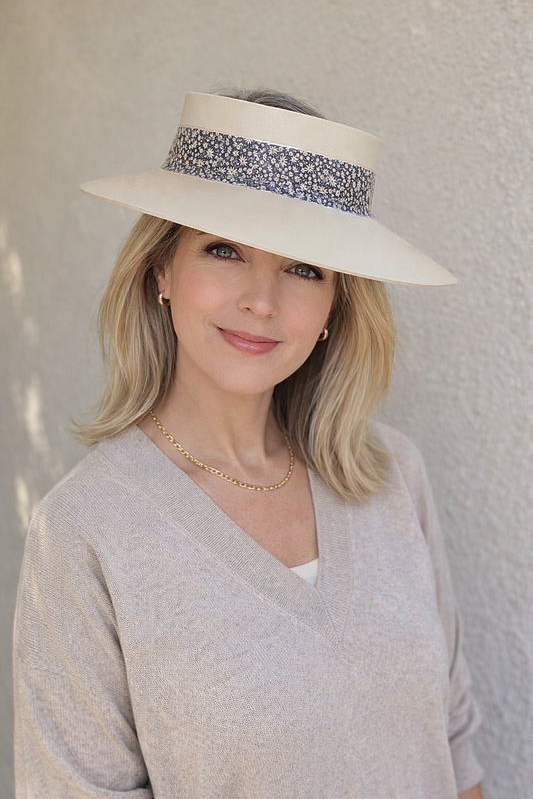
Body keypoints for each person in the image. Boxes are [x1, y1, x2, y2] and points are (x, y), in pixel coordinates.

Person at [13, 88, 483, 799]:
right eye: (224, 250)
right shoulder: (85, 531)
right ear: (161, 271)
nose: (260, 300)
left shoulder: (390, 477)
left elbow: (452, 750)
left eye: (303, 267)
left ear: (334, 307)